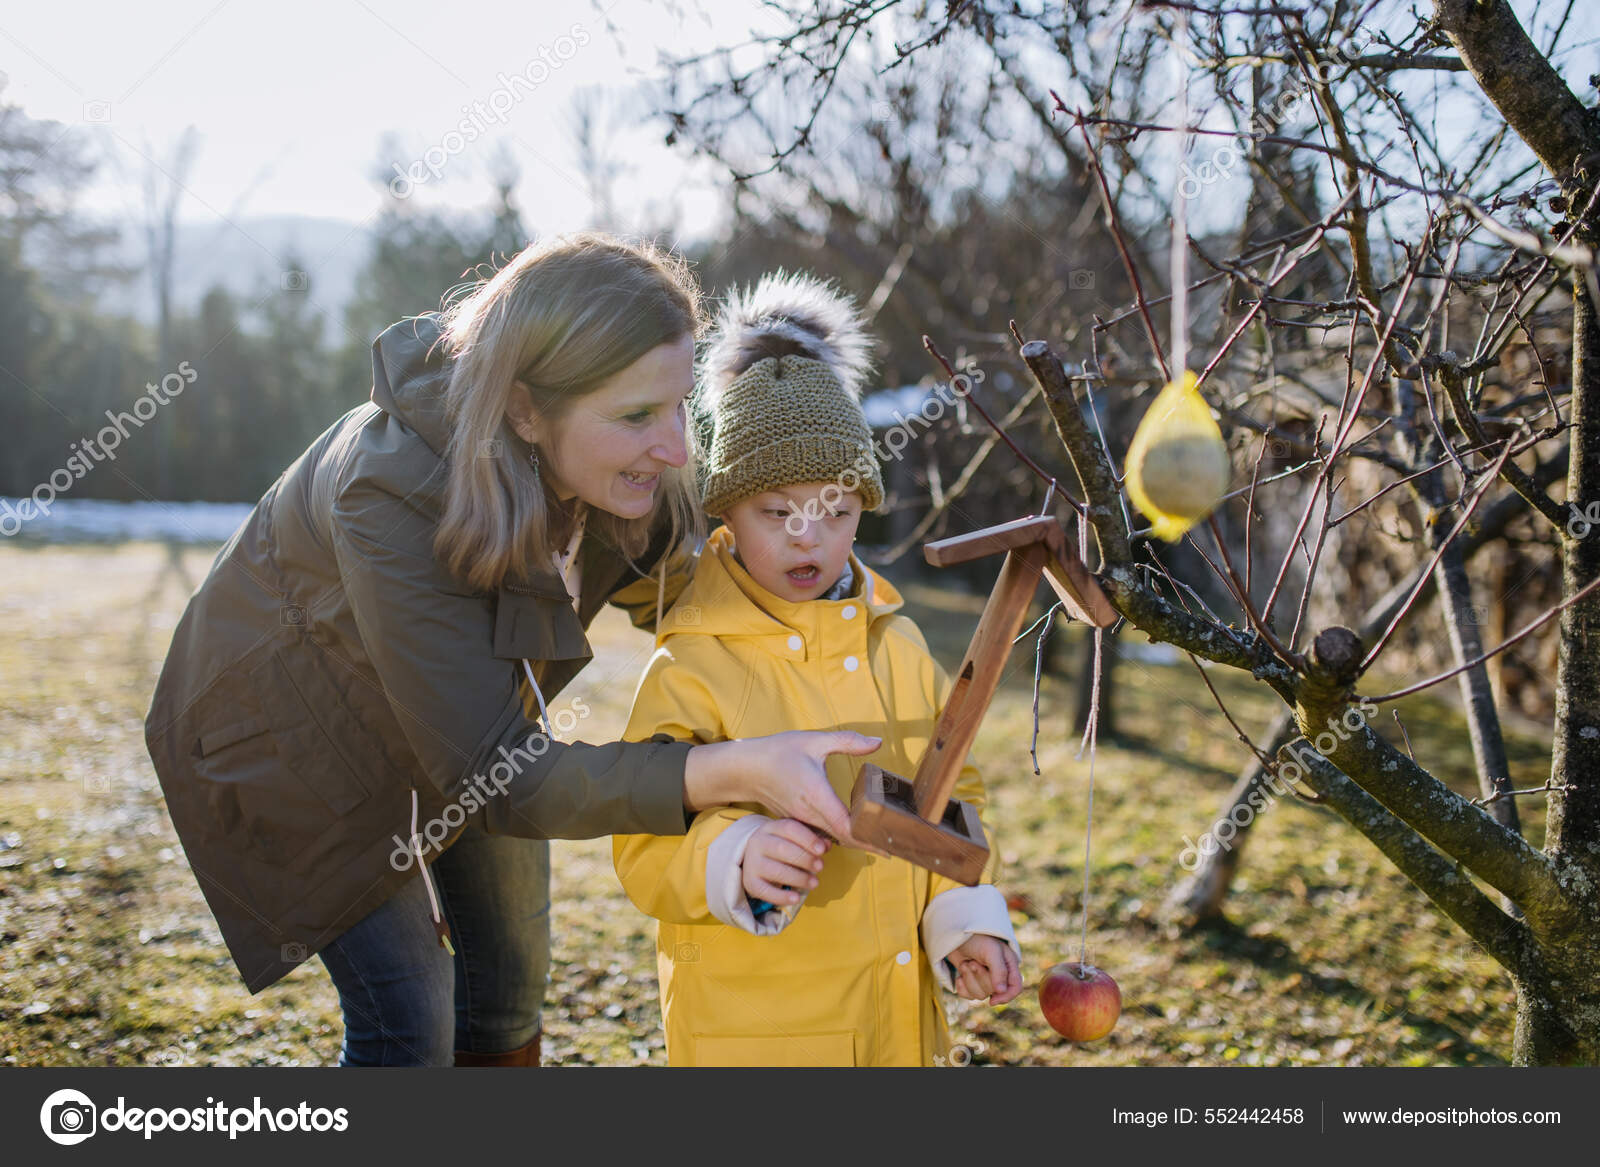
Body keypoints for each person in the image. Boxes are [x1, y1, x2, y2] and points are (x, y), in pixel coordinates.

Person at [143, 235, 881, 1068]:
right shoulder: (386, 489)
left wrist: (850, 621)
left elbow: (704, 594)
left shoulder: (621, 472)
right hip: (293, 745)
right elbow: (497, 773)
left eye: (679, 405)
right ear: (527, 408)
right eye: (638, 414)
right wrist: (734, 769)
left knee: (507, 990)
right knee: (412, 1016)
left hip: (469, 734)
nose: (678, 448)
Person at [613, 274, 1022, 1067]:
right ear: (725, 510)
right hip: (757, 1041)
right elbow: (641, 840)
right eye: (778, 513)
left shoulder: (896, 647)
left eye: (836, 511)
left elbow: (950, 795)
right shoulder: (694, 658)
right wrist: (734, 854)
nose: (810, 538)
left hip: (893, 1031)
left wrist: (963, 915)